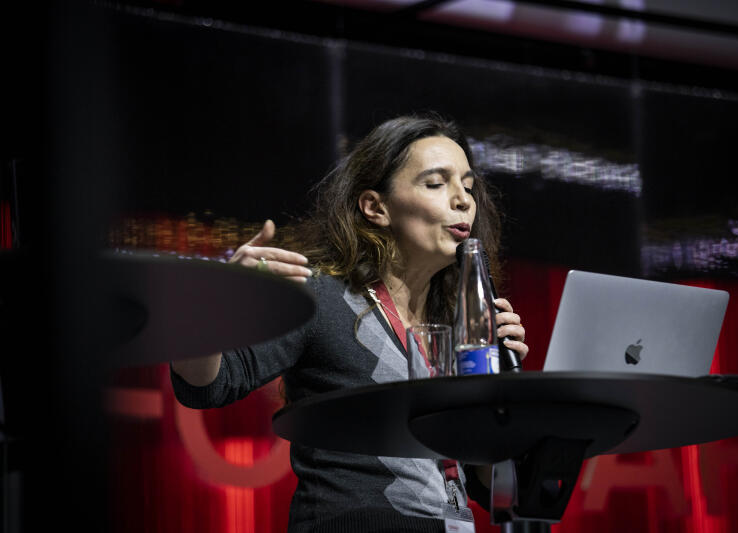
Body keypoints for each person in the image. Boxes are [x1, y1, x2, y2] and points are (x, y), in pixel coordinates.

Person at [171, 113, 529, 532]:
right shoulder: (321, 295)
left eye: (468, 186)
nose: (463, 200)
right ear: (375, 207)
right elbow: (206, 384)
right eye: (436, 183)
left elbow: (491, 484)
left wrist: (500, 396)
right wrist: (211, 309)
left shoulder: (462, 329)